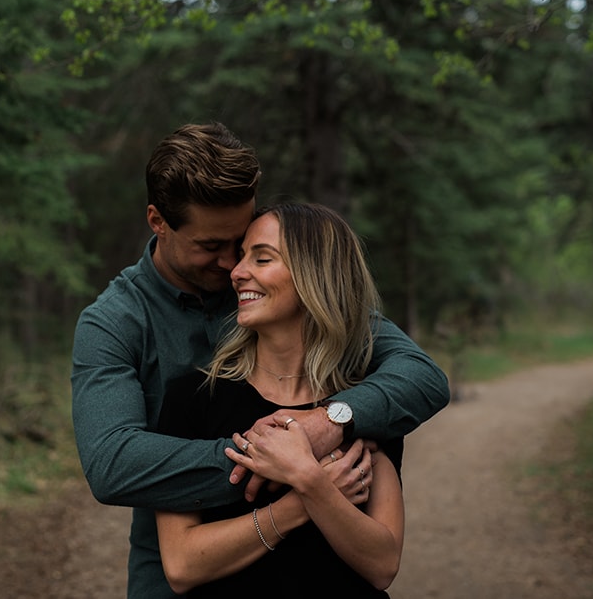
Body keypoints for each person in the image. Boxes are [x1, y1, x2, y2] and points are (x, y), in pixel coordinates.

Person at [70, 122, 449, 598]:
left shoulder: (280, 295)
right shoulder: (115, 322)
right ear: (157, 221)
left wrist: (329, 422)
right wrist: (278, 462)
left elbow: (422, 377)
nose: (232, 265)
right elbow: (113, 464)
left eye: (243, 242)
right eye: (212, 246)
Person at [156, 202, 405, 596]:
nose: (236, 273)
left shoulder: (358, 405)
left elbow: (383, 564)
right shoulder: (194, 398)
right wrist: (304, 499)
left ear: (315, 276)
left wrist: (307, 478)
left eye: (262, 258)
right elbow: (182, 564)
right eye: (241, 258)